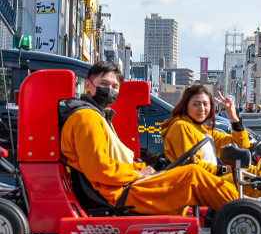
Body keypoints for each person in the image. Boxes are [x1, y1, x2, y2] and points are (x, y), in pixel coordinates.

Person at [58, 61, 238, 215]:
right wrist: (138, 173)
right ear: (88, 85)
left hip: (118, 186)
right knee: (193, 175)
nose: (110, 90)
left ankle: (240, 208)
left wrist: (143, 168)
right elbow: (99, 169)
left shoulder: (96, 115)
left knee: (193, 175)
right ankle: (243, 211)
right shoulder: (86, 118)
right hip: (116, 193)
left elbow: (110, 161)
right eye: (104, 84)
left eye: (115, 87)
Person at [161, 85, 250, 177]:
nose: (202, 109)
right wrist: (222, 170)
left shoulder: (203, 130)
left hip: (210, 180)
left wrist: (232, 115)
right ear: (185, 106)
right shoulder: (181, 126)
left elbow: (241, 145)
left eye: (205, 104)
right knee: (252, 175)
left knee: (254, 172)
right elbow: (190, 166)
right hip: (199, 185)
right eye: (196, 104)